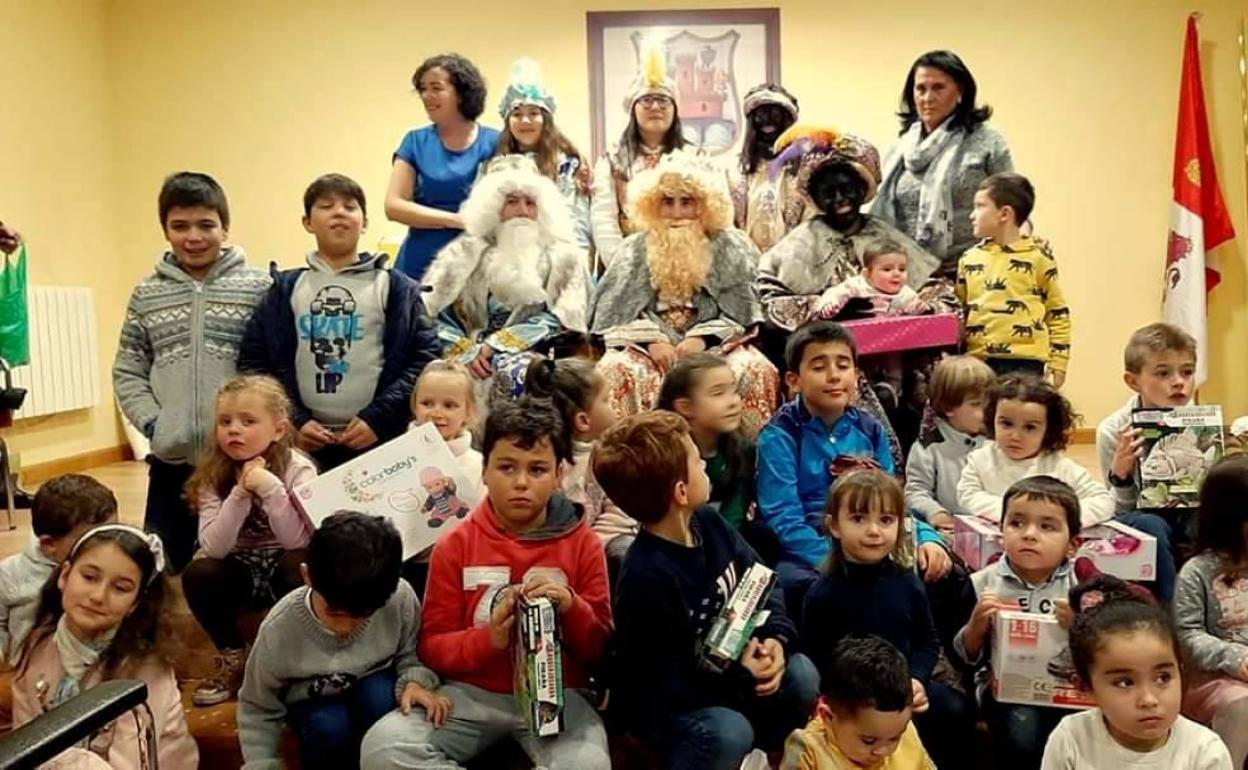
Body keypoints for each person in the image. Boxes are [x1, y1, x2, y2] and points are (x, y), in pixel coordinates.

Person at [359, 398, 612, 770]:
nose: (521, 482)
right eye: (506, 467)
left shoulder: (584, 542)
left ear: (559, 473)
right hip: (469, 694)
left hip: (559, 697)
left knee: (589, 766)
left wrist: (572, 607)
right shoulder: (455, 543)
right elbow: (433, 646)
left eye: (538, 469)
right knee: (382, 749)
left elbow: (600, 650)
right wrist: (488, 639)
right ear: (485, 471)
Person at [594, 411, 819, 769]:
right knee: (729, 732)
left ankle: (767, 757)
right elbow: (664, 685)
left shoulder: (710, 522)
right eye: (697, 461)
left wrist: (774, 638)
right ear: (681, 492)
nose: (703, 464)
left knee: (802, 674)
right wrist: (742, 676)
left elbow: (762, 580)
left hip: (734, 673)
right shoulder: (646, 577)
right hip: (679, 706)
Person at [113, 171, 271, 571]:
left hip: (242, 461)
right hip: (173, 463)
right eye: (180, 226)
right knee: (163, 567)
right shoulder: (147, 294)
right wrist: (155, 423)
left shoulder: (259, 287)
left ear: (225, 227)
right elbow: (128, 368)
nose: (194, 237)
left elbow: (274, 364)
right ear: (165, 230)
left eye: (206, 225)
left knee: (238, 566)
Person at [238, 173, 438, 470]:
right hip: (301, 447)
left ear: (364, 222)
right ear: (307, 222)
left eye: (350, 206)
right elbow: (254, 363)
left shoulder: (396, 288)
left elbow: (426, 358)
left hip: (379, 442)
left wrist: (379, 418)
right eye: (326, 205)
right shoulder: (284, 290)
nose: (339, 212)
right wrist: (294, 421)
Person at [756, 321, 951, 612]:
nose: (834, 376)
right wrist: (838, 560)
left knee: (939, 569)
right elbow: (783, 517)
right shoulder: (780, 436)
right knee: (802, 587)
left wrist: (927, 537)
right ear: (793, 380)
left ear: (857, 376)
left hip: (872, 533)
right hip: (812, 544)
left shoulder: (870, 428)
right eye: (819, 367)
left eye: (843, 365)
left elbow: (892, 500)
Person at [237, 512, 446, 770]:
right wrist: (262, 763)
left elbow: (410, 654)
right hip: (315, 704)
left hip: (376, 687)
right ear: (307, 576)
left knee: (380, 700)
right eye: (335, 614)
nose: (346, 628)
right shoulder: (279, 628)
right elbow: (258, 705)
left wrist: (414, 681)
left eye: (364, 616)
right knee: (328, 726)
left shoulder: (398, 598)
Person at [591, 153, 779, 435]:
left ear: (704, 205)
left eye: (687, 202)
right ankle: (632, 459)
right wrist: (653, 341)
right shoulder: (633, 248)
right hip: (647, 346)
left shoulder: (731, 245)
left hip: (717, 344)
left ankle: (744, 460)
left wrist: (703, 338)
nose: (677, 213)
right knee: (614, 370)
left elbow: (746, 308)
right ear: (653, 204)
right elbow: (614, 309)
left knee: (755, 369)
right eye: (668, 202)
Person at [800, 470, 972, 769]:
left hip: (902, 690)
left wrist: (916, 680)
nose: (874, 531)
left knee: (954, 709)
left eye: (886, 520)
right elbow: (817, 659)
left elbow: (927, 642)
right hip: (852, 703)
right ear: (834, 526)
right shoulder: (822, 594)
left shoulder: (907, 583)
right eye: (858, 519)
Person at [12, 526, 198, 769]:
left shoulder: (146, 667)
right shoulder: (38, 647)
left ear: (135, 603)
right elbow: (21, 749)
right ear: (65, 576)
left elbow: (129, 765)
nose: (98, 596)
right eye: (89, 577)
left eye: (120, 588)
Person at [182, 375, 317, 706]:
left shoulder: (298, 468)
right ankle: (232, 654)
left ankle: (290, 661)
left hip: (282, 564)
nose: (234, 430)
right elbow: (214, 547)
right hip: (238, 567)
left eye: (248, 421)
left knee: (300, 562)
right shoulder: (213, 474)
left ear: (279, 430)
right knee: (200, 572)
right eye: (225, 422)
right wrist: (241, 494)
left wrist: (270, 488)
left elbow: (297, 540)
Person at [423, 154, 590, 407]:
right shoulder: (461, 255)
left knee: (519, 372)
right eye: (512, 202)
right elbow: (431, 314)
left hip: (537, 357)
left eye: (530, 203)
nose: (522, 211)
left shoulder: (564, 258)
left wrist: (497, 346)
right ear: (492, 207)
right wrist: (465, 351)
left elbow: (564, 317)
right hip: (465, 357)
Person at [952, 476, 1086, 769]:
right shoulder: (981, 584)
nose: (1029, 534)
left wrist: (1082, 624)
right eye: (1017, 523)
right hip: (1006, 692)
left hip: (1071, 690)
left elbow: (1108, 643)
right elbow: (963, 659)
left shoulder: (1083, 586)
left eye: (1047, 526)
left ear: (1073, 544)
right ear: (1001, 531)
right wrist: (976, 626)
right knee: (1023, 731)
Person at [872, 50, 1014, 276]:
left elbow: (1012, 206)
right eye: (921, 89)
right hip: (906, 277)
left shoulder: (987, 141)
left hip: (976, 272)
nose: (927, 98)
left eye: (938, 88)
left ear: (960, 90)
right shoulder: (899, 149)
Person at [1041, 600, 1232, 769]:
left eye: (1163, 678)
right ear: (1087, 687)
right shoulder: (1071, 739)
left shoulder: (1205, 751)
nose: (1149, 700)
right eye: (1125, 683)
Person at [385, 53, 500, 280]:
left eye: (436, 88)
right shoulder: (415, 141)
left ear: (462, 93)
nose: (426, 96)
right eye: (423, 89)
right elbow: (394, 206)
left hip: (478, 268)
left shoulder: (495, 141)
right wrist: (457, 221)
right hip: (419, 266)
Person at [1095, 322, 1191, 594]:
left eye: (1187, 372)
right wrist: (1121, 477)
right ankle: (1170, 611)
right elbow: (1120, 512)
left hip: (1191, 514)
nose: (1179, 382)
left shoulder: (1200, 422)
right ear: (1133, 381)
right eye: (1163, 373)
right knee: (1151, 525)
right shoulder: (1114, 430)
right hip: (1141, 516)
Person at [957, 172, 1072, 384]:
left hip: (1026, 363)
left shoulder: (1039, 258)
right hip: (979, 362)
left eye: (980, 206)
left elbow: (1057, 313)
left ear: (1004, 214)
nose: (972, 215)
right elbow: (960, 311)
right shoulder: (968, 259)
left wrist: (1059, 362)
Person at [957, 375, 1114, 528]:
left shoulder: (1060, 466)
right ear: (993, 420)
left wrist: (1058, 517)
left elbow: (1103, 501)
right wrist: (1014, 512)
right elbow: (967, 494)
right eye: (1006, 424)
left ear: (1048, 430)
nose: (1015, 436)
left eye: (1030, 427)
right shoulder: (980, 460)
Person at [1174, 456, 1248, 768]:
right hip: (1216, 681)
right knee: (1242, 706)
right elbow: (1188, 635)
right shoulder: (1198, 572)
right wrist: (1236, 658)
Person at [522, 358, 627, 579]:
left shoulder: (607, 456)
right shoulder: (540, 464)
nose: (614, 408)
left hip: (594, 559)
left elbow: (618, 512)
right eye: (606, 400)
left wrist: (589, 548)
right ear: (583, 420)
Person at [0, 474, 117, 665]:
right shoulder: (9, 575)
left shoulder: (116, 571)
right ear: (49, 544)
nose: (108, 546)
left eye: (113, 533)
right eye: (91, 540)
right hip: (28, 673)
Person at [590, 45, 690, 267]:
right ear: (633, 109)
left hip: (685, 263)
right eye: (646, 100)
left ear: (674, 109)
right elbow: (603, 221)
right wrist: (623, 268)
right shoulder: (612, 161)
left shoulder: (695, 159)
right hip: (628, 263)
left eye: (663, 100)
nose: (655, 107)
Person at [781, 636, 936, 770]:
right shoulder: (808, 751)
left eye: (894, 739)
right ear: (828, 717)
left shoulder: (904, 730)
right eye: (869, 741)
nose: (883, 751)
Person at [493, 57, 592, 248]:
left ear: (545, 119)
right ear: (508, 121)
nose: (525, 120)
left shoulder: (567, 166)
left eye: (533, 113)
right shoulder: (493, 165)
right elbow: (485, 220)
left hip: (557, 255)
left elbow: (576, 223)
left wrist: (575, 260)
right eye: (517, 114)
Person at [903, 355, 995, 534]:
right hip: (948, 532)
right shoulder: (928, 447)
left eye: (990, 404)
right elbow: (916, 491)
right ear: (948, 407)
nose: (988, 411)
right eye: (977, 404)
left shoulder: (996, 443)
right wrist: (936, 513)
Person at [731, 83, 807, 252]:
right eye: (761, 115)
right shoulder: (734, 171)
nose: (767, 121)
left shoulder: (806, 170)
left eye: (775, 115)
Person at [408, 360, 482, 481]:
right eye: (427, 403)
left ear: (469, 412)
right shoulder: (393, 458)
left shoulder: (479, 466)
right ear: (414, 406)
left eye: (448, 405)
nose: (436, 413)